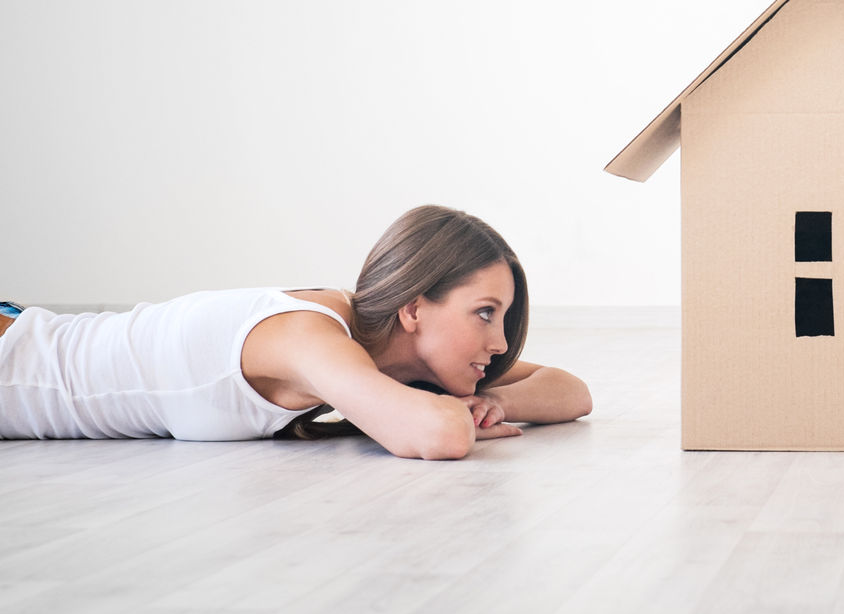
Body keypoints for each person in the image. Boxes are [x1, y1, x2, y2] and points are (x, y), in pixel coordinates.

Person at [0, 205, 592, 459]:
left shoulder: (401, 357)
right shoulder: (309, 337)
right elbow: (437, 434)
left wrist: (489, 401)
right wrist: (459, 416)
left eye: (505, 319)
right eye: (485, 313)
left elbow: (571, 391)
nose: (498, 341)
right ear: (414, 309)